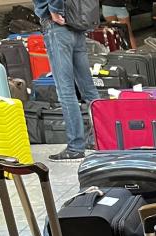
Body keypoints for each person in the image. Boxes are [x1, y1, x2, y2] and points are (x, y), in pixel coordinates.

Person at [33, 0, 100, 160]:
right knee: (89, 90)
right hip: (76, 24)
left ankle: (75, 146)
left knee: (66, 91)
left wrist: (55, 10)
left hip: (58, 26)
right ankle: (98, 138)